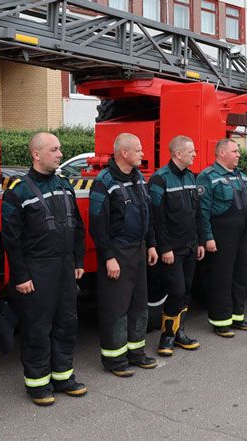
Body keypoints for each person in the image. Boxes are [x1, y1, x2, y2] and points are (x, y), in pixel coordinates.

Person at [1, 132, 87, 406]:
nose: (60, 154)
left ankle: (63, 377)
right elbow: (11, 240)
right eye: (54, 149)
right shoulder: (18, 191)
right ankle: (38, 385)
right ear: (36, 154)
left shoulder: (65, 185)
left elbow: (77, 226)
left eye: (60, 149)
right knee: (38, 328)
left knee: (67, 323)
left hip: (65, 266)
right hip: (37, 269)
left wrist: (78, 261)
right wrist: (21, 276)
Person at [89, 133, 159, 376]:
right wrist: (109, 257)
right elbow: (97, 224)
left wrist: (151, 244)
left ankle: (136, 353)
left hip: (138, 249)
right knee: (116, 308)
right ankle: (115, 360)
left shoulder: (138, 178)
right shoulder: (104, 181)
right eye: (138, 150)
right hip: (117, 252)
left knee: (139, 305)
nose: (143, 154)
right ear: (124, 153)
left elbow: (147, 213)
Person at [148, 135, 205, 356]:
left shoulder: (191, 177)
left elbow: (197, 213)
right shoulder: (159, 179)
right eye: (191, 151)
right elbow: (157, 218)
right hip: (172, 249)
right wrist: (165, 248)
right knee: (177, 290)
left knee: (186, 290)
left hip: (190, 245)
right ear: (178, 154)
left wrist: (200, 241)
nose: (195, 154)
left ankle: (179, 332)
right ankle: (167, 337)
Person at [196, 138, 247, 337]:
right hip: (221, 233)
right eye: (234, 151)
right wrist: (208, 237)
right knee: (221, 278)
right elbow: (202, 211)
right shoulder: (207, 176)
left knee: (241, 276)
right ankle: (221, 320)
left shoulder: (242, 176)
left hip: (242, 233)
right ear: (222, 153)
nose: (238, 155)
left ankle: (237, 316)